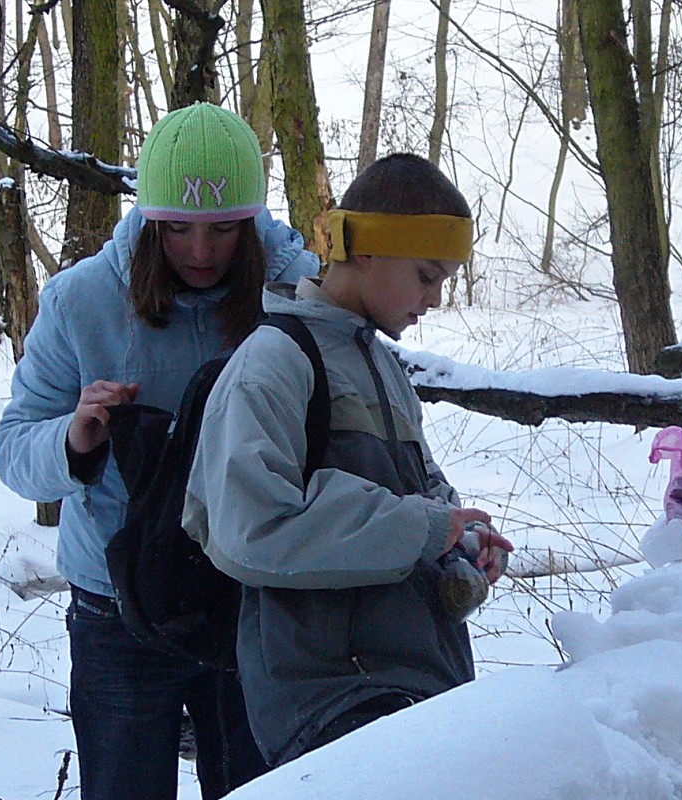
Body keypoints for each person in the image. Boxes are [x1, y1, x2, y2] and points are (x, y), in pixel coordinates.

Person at [0, 103, 320, 800]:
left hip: (253, 598)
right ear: (146, 219)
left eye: (223, 228)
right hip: (118, 613)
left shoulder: (298, 295)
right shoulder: (80, 301)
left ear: (253, 220)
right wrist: (76, 438)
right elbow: (12, 450)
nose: (200, 251)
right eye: (176, 228)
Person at [182, 152, 514, 768]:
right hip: (328, 702)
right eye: (426, 275)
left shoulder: (384, 365)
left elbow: (421, 496)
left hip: (417, 686)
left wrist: (462, 539)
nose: (434, 299)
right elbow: (250, 530)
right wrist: (423, 529)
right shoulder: (271, 363)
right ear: (364, 250)